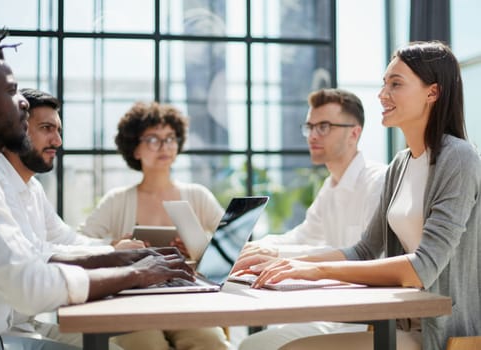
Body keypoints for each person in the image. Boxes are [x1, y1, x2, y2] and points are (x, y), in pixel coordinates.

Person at [0, 26, 194, 350]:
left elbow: (48, 249)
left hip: (3, 333)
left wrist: (122, 256)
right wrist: (135, 271)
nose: (22, 102)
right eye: (11, 91)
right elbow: (32, 283)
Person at [243, 41, 481, 350]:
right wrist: (291, 264)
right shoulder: (401, 164)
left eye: (396, 84)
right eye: (384, 84)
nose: (383, 95)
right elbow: (364, 250)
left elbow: (420, 269)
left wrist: (316, 270)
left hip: (444, 334)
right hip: (401, 325)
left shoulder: (459, 158)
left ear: (432, 93)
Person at [232, 88, 387, 350]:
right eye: (310, 126)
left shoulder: (377, 181)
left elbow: (363, 255)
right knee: (251, 344)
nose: (313, 135)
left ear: (354, 132)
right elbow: (304, 235)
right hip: (330, 311)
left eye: (324, 126)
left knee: (256, 346)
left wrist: (275, 252)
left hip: (362, 318)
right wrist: (257, 247)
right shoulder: (330, 185)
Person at [0, 87, 145, 347]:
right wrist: (112, 257)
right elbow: (36, 253)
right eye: (46, 128)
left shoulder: (32, 188)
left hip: (24, 325)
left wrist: (111, 248)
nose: (58, 141)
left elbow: (65, 238)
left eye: (58, 130)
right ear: (15, 131)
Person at [79, 101, 229, 350]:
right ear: (135, 149)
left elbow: (231, 245)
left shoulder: (197, 195)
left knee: (210, 342)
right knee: (147, 345)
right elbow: (80, 242)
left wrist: (198, 248)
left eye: (170, 138)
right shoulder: (118, 200)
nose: (164, 146)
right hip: (132, 300)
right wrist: (114, 246)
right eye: (153, 139)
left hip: (185, 298)